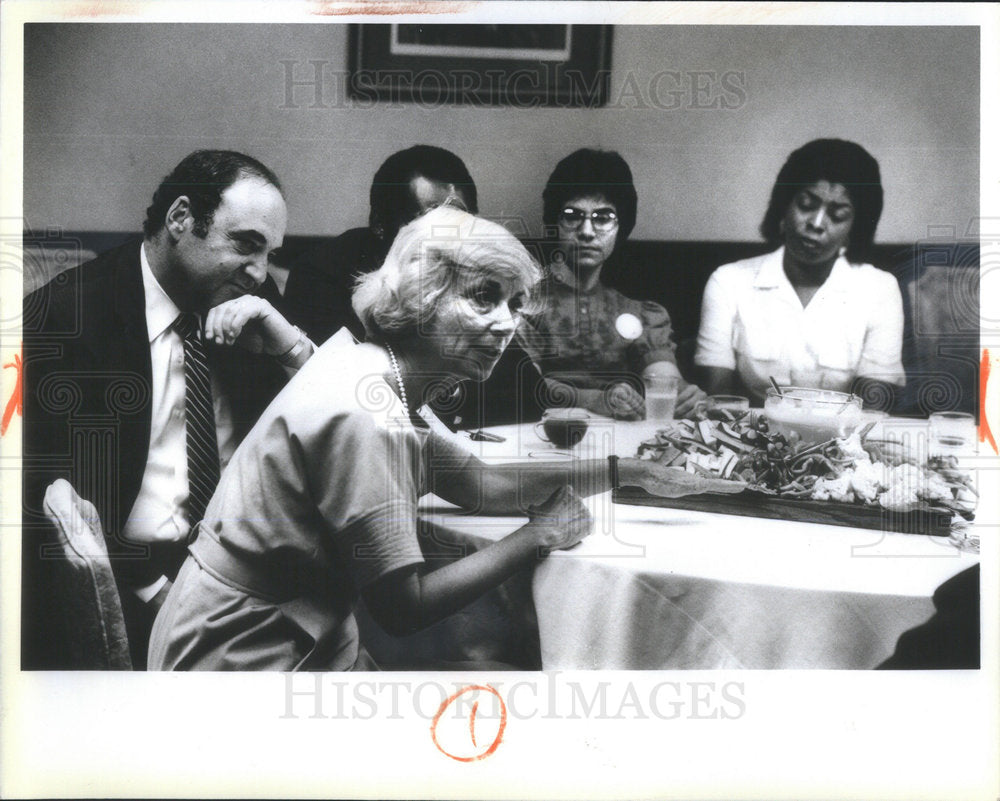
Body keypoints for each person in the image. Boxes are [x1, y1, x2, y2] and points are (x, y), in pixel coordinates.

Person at [148, 206, 741, 671]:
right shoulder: (371, 415)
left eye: (513, 303)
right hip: (240, 663)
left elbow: (483, 482)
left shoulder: (379, 375)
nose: (507, 324)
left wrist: (627, 472)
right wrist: (539, 535)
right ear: (420, 296)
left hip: (276, 637)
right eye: (483, 298)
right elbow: (403, 609)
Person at [22, 150, 312, 668]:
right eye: (246, 245)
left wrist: (291, 350)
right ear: (180, 218)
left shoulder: (249, 301)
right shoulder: (68, 318)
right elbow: (48, 497)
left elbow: (329, 436)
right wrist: (161, 593)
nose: (260, 271)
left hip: (243, 570)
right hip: (134, 581)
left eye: (269, 252)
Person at [695, 138, 905, 407]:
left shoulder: (879, 289)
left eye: (838, 215)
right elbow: (718, 400)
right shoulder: (728, 281)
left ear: (856, 227)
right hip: (751, 439)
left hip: (842, 441)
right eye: (806, 205)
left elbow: (874, 408)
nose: (816, 224)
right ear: (784, 206)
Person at [518, 148, 705, 421]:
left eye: (603, 218)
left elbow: (664, 380)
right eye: (573, 216)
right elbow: (522, 387)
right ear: (555, 223)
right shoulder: (525, 302)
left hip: (624, 443)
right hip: (541, 436)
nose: (586, 232)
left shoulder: (638, 312)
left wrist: (686, 396)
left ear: (621, 228)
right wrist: (594, 399)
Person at [283, 144, 478, 343]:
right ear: (379, 224)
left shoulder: (484, 275)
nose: (447, 242)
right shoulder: (320, 275)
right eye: (427, 225)